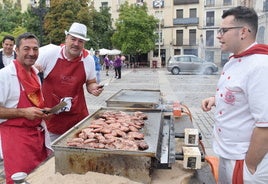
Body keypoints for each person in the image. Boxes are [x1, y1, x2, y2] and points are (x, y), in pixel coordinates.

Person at [201, 6, 268, 184]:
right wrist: (215, 100)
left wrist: (250, 165)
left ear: (243, 32)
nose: (218, 35)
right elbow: (238, 93)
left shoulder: (261, 66)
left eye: (224, 30)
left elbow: (265, 126)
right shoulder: (234, 60)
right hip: (227, 152)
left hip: (243, 159)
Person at [36, 22, 103, 142]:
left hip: (77, 116)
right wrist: (34, 67)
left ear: (84, 43)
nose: (76, 44)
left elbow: (90, 82)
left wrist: (94, 88)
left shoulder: (88, 60)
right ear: (66, 38)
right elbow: (28, 69)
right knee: (51, 156)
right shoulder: (49, 54)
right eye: (73, 39)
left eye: (80, 41)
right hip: (52, 116)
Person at [0, 32, 53, 184]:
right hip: (16, 141)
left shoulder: (35, 74)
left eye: (35, 49)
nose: (31, 53)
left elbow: (34, 103)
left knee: (38, 178)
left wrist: (44, 112)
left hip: (37, 139)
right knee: (21, 180)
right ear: (16, 50)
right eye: (26, 49)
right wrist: (23, 112)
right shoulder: (4, 75)